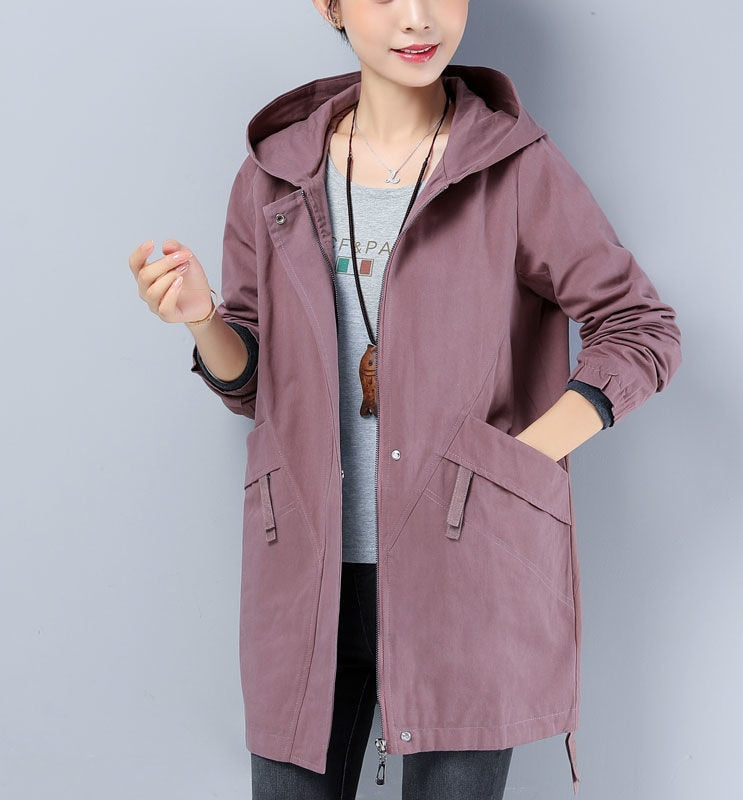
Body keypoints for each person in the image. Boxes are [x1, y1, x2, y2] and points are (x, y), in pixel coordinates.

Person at [129, 1, 681, 798]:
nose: (418, 18)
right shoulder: (274, 175)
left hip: (466, 578)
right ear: (331, 6)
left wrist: (513, 463)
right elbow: (255, 384)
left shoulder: (513, 167)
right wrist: (203, 319)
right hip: (304, 583)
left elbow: (639, 327)